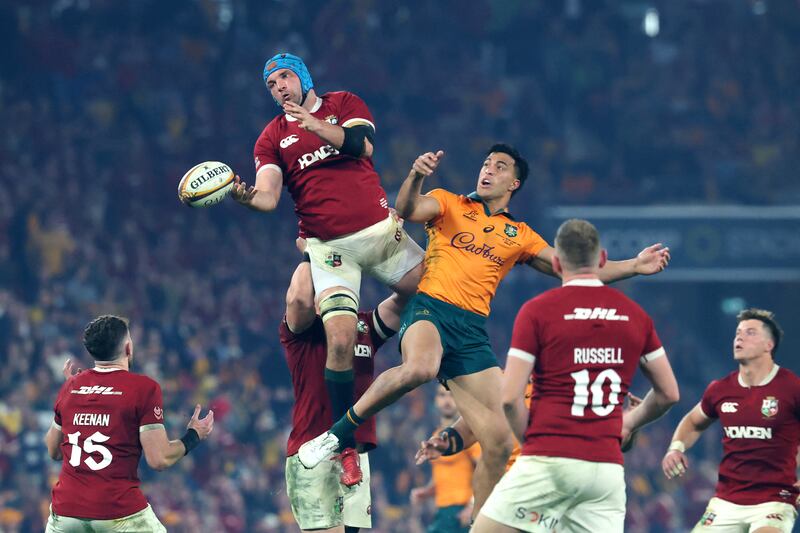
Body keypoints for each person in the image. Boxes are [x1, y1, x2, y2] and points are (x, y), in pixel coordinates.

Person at [299, 146, 672, 513]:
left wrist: (633, 266)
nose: (488, 170)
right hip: (430, 309)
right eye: (485, 163)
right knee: (421, 367)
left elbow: (576, 269)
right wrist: (416, 175)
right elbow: (409, 208)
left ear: (515, 182)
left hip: (471, 330)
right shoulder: (449, 203)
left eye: (499, 166)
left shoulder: (520, 235)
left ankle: (480, 523)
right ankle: (336, 435)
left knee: (498, 441)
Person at [231, 53, 423, 481]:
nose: (279, 87)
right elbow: (267, 197)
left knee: (436, 289)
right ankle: (344, 443)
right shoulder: (271, 138)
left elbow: (363, 146)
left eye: (284, 77)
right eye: (271, 84)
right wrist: (244, 196)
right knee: (340, 341)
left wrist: (317, 126)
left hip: (379, 233)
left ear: (302, 77)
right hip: (329, 248)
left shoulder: (344, 103)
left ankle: (441, 364)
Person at [471, 218, 680, 533]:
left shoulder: (538, 311)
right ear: (603, 259)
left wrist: (533, 444)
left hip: (549, 458)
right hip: (605, 469)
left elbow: (510, 398)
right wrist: (627, 422)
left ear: (556, 262)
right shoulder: (635, 316)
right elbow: (669, 393)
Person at [44, 315, 214, 533]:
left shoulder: (71, 386)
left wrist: (71, 394)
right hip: (118, 512)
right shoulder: (143, 388)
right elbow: (159, 459)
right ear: (127, 347)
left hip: (65, 513)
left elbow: (53, 451)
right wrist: (194, 435)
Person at [281, 248, 402, 532]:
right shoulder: (301, 333)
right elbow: (298, 297)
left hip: (356, 458)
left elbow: (408, 295)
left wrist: (385, 244)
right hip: (314, 453)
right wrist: (313, 251)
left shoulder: (364, 326)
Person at [661, 308, 799, 532]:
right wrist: (675, 448)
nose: (740, 337)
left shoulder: (791, 387)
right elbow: (693, 422)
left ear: (769, 345)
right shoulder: (720, 389)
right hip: (726, 501)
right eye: (738, 333)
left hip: (775, 499)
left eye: (750, 332)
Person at [411, 385, 481, 533]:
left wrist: (472, 506)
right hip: (443, 510)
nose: (447, 400)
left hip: (461, 511)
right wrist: (426, 492)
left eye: (451, 395)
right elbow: (442, 476)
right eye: (442, 395)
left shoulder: (467, 434)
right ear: (436, 400)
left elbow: (484, 468)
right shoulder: (436, 435)